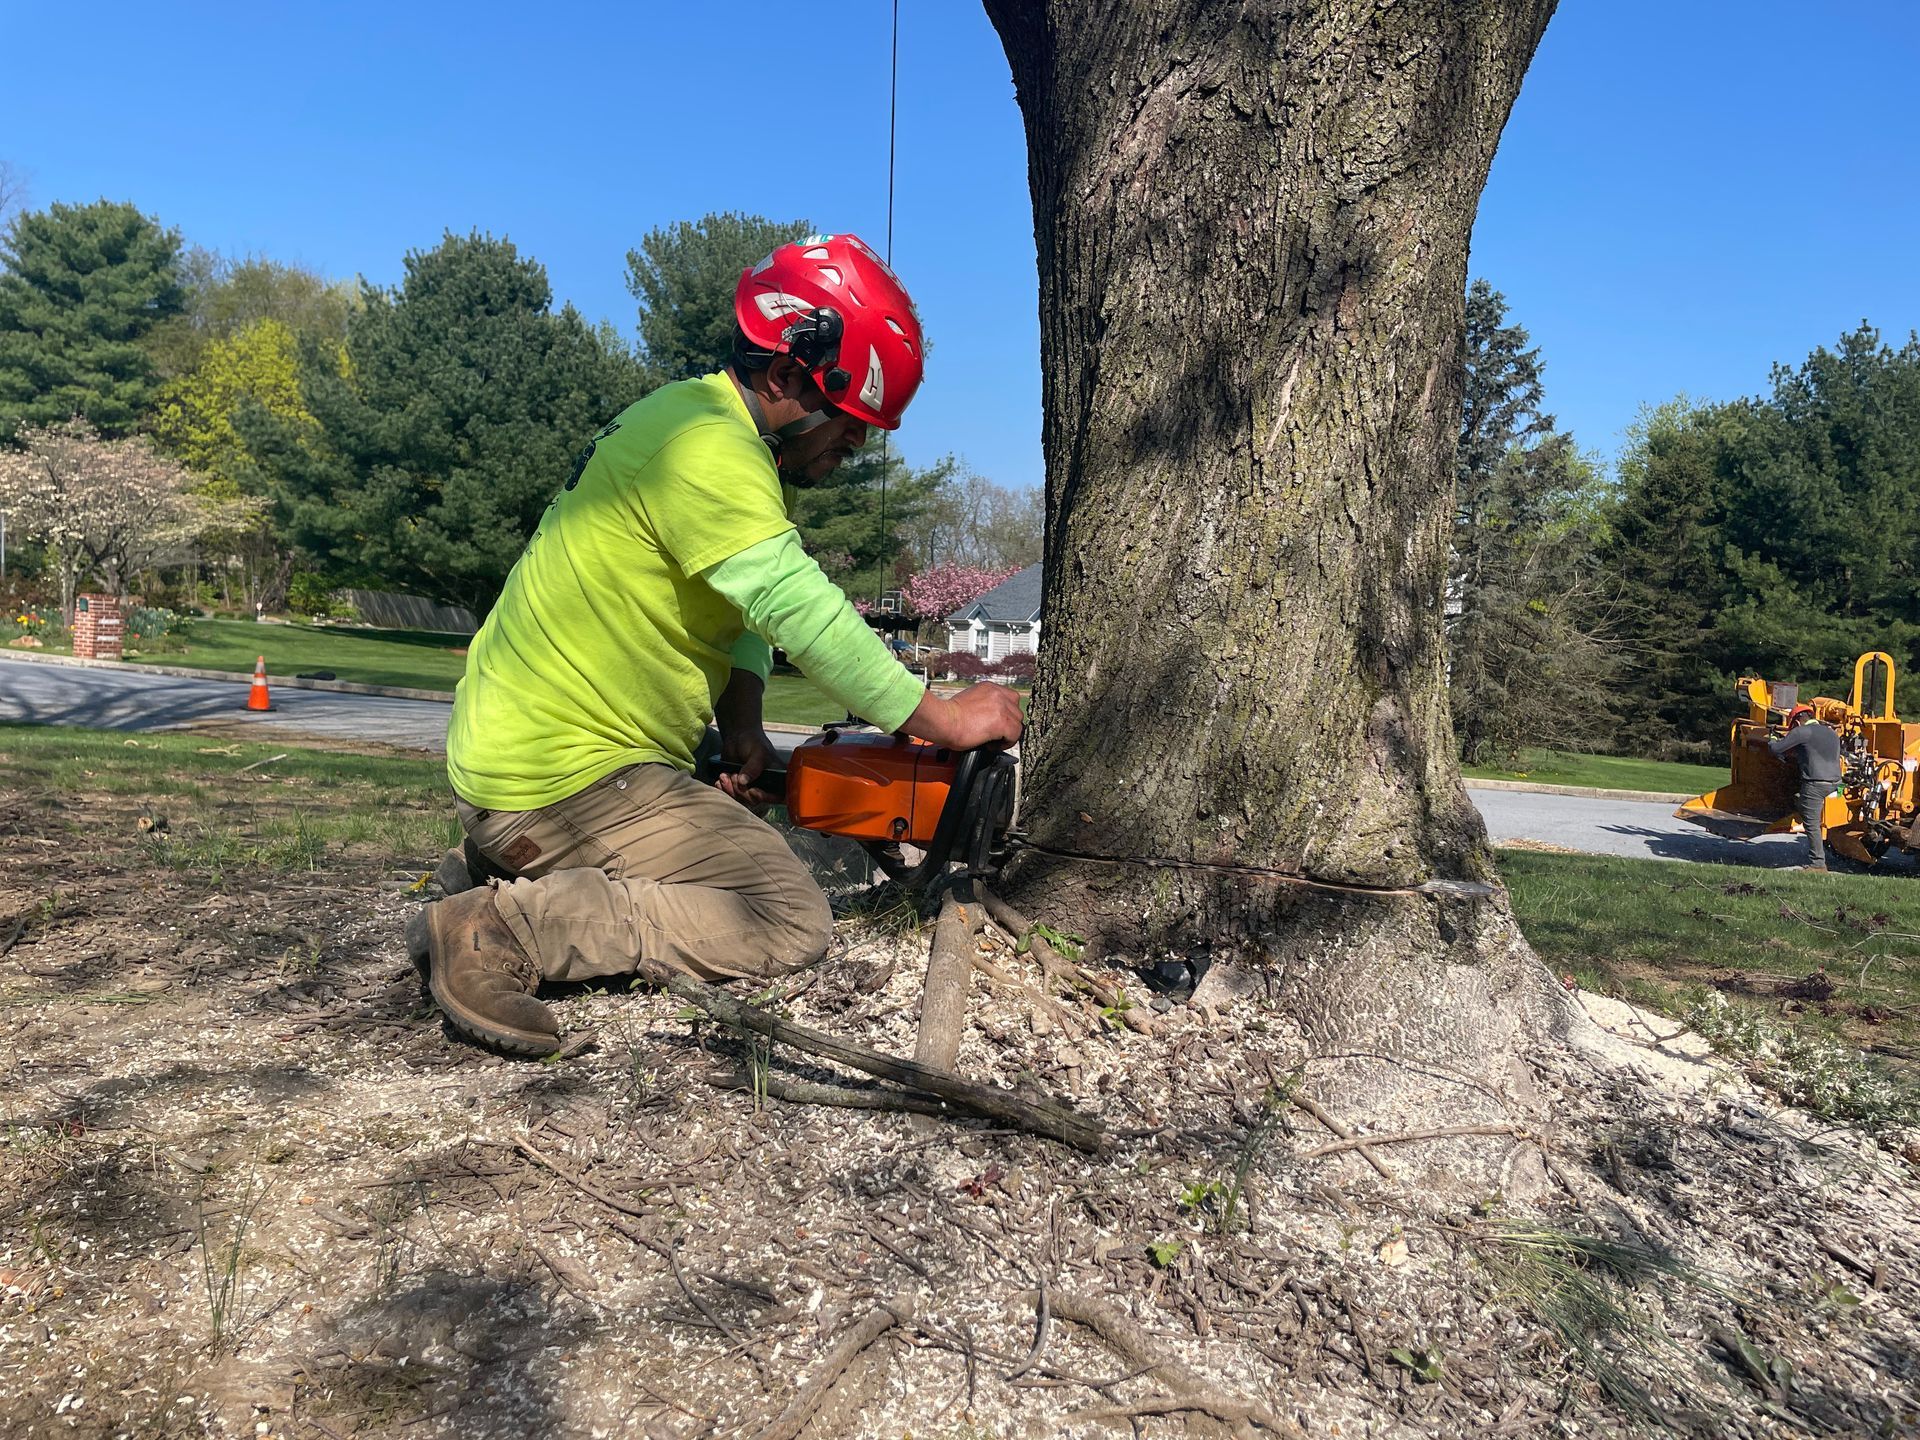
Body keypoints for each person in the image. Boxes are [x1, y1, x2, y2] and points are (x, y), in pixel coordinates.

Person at [406, 234, 1024, 1055]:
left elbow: (738, 617)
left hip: (535, 753)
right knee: (784, 913)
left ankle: (502, 860)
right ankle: (501, 927)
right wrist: (940, 720)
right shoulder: (707, 450)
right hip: (562, 772)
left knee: (742, 826)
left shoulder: (694, 425)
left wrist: (743, 731)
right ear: (790, 377)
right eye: (852, 424)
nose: (858, 447)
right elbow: (799, 607)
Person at [1768, 703, 1841, 871]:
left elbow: (1777, 749)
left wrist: (1772, 738)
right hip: (1838, 785)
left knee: (1811, 822)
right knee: (1820, 812)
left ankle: (1817, 863)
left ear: (1797, 721)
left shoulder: (1802, 732)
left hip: (1816, 784)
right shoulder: (1831, 732)